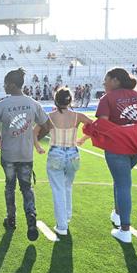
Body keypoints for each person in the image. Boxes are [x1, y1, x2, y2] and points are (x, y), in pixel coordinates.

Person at [93, 67, 137, 243]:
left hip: (118, 148)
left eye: (106, 79)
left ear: (115, 80)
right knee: (121, 180)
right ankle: (118, 214)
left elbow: (103, 125)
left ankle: (125, 230)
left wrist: (121, 131)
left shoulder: (107, 98)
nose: (104, 82)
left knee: (123, 184)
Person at [0, 68, 49, 241]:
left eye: (6, 83)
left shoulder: (1, 105)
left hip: (8, 154)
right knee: (26, 187)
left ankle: (11, 218)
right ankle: (31, 216)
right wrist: (33, 137)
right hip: (25, 154)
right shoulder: (33, 103)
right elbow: (47, 126)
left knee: (9, 187)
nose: (4, 86)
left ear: (12, 85)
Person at [33, 88, 92, 235]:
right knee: (67, 186)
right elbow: (93, 126)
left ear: (55, 100)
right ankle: (66, 216)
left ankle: (62, 226)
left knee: (58, 189)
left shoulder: (49, 116)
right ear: (70, 100)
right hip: (73, 154)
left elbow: (34, 132)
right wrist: (83, 139)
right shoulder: (77, 116)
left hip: (56, 153)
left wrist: (38, 146)